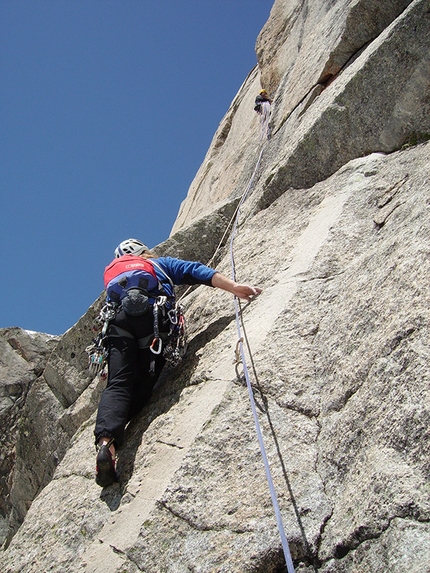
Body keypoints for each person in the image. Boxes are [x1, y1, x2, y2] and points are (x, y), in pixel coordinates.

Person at [94, 238, 262, 487]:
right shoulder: (159, 264)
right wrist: (234, 286)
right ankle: (114, 437)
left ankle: (106, 444)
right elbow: (196, 271)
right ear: (144, 253)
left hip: (119, 325)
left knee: (118, 385)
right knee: (143, 389)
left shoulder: (115, 278)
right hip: (153, 325)